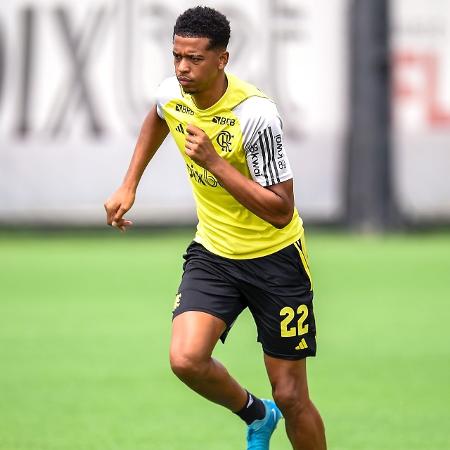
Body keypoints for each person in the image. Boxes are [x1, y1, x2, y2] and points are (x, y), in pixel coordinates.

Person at [104, 6, 326, 450]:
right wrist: (129, 184)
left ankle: (277, 406)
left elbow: (281, 210)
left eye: (195, 59)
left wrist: (215, 163)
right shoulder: (174, 92)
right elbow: (159, 114)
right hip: (215, 253)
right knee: (186, 359)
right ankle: (256, 413)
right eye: (176, 57)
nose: (183, 68)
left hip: (275, 259)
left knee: (292, 394)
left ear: (222, 59)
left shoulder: (255, 115)